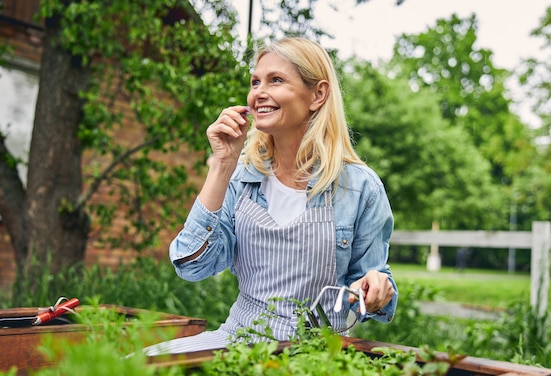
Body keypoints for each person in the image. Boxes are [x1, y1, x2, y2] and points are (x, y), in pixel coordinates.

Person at [143, 37, 398, 356]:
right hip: (236, 339)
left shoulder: (360, 188)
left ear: (317, 94)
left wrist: (376, 287)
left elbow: (373, 286)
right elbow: (192, 266)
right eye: (255, 82)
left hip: (314, 352)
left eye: (275, 80)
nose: (258, 92)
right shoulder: (240, 177)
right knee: (131, 369)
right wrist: (222, 164)